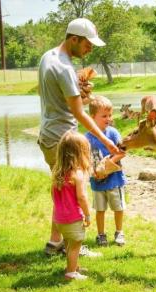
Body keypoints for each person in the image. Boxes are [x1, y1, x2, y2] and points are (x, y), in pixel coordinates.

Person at [38, 17, 120, 256]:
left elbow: (65, 101)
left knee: (62, 192)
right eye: (87, 43)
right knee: (74, 194)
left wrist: (81, 94)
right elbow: (79, 113)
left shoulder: (48, 57)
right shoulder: (64, 68)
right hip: (63, 141)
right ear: (74, 39)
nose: (90, 48)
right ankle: (75, 246)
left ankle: (55, 244)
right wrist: (106, 140)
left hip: (48, 135)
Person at [51, 130, 100, 280]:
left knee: (68, 243)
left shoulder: (58, 173)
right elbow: (82, 197)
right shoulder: (78, 174)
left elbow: (53, 195)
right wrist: (87, 214)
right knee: (75, 245)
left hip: (59, 219)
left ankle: (73, 267)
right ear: (80, 153)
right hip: (73, 218)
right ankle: (71, 273)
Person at [85, 96, 127, 246]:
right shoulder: (87, 137)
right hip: (97, 181)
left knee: (118, 207)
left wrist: (108, 164)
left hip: (115, 179)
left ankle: (119, 232)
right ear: (92, 118)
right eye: (104, 116)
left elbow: (122, 152)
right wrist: (94, 170)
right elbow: (85, 158)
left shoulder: (113, 133)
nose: (108, 118)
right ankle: (101, 235)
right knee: (100, 209)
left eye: (110, 115)